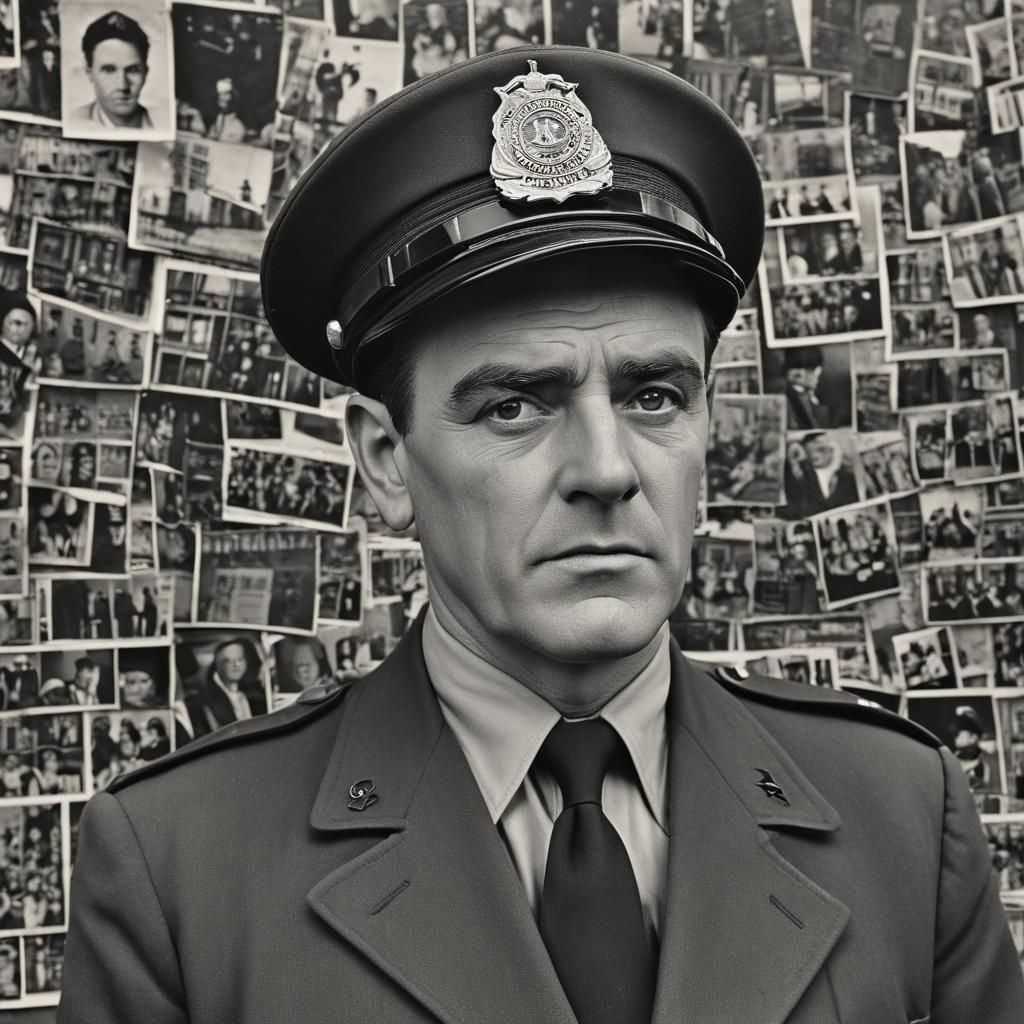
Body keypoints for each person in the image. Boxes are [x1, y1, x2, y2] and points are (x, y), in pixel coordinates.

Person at [59, 47, 1023, 1024]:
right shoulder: (180, 869)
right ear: (386, 462)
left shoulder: (900, 812)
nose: (607, 469)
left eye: (655, 396)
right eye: (515, 406)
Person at [68, 10, 153, 131]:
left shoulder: (163, 125)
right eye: (109, 70)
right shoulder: (72, 122)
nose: (122, 86)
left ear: (146, 73)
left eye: (133, 70)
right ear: (89, 73)